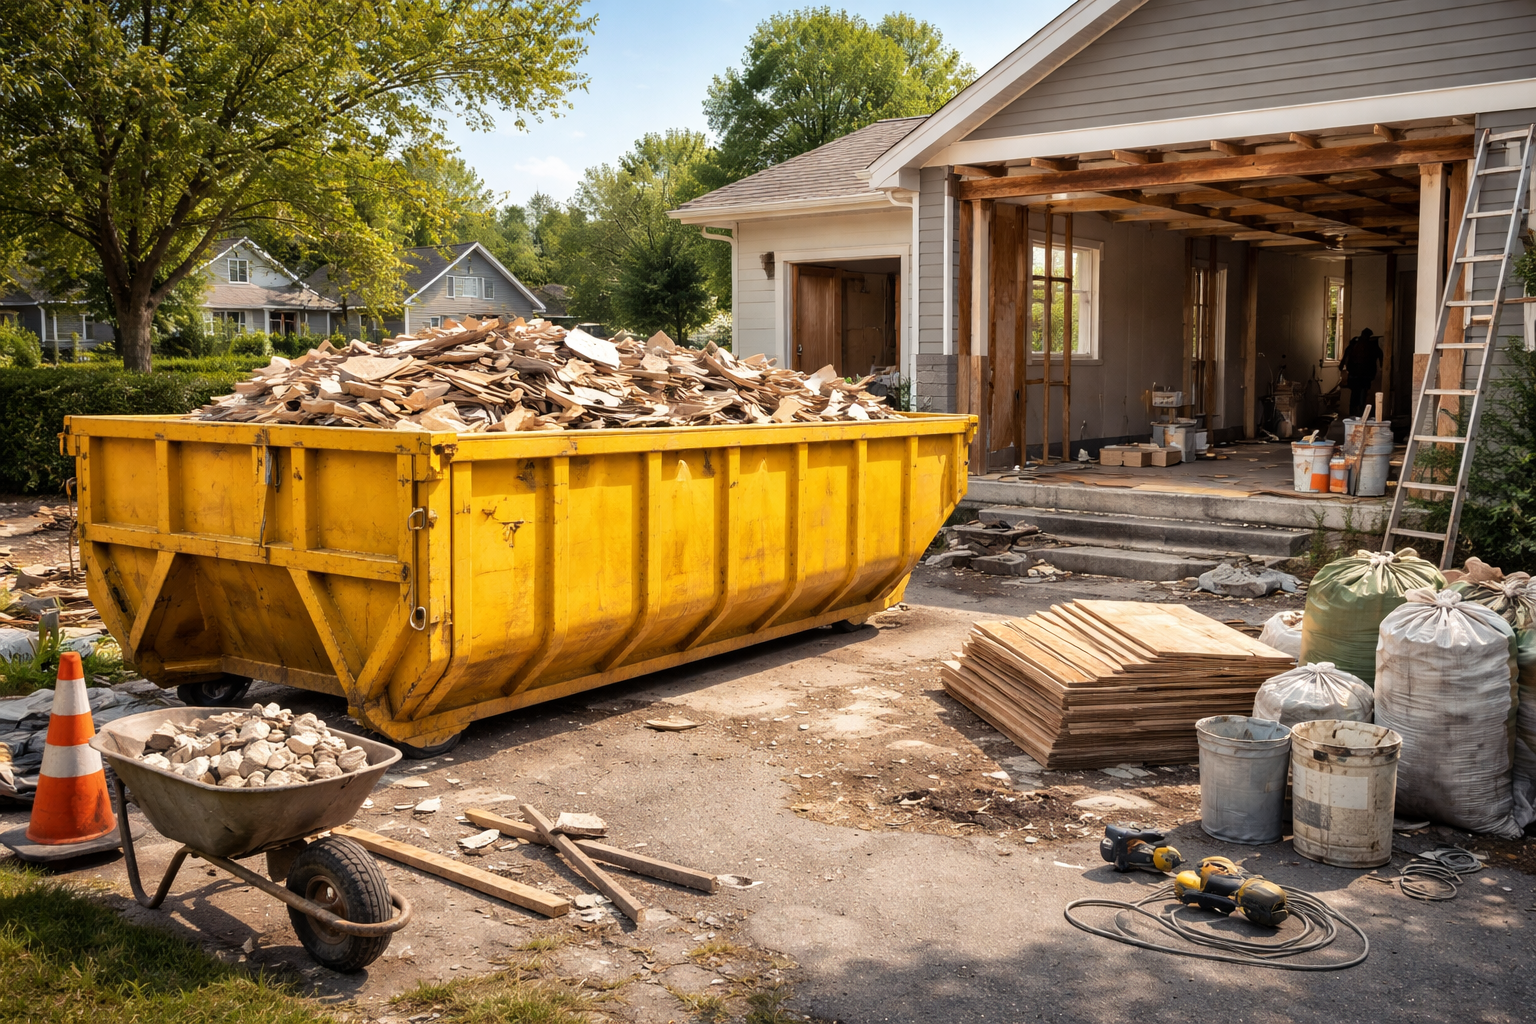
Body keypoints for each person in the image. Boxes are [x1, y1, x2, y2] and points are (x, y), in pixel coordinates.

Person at [1340, 328, 1383, 417]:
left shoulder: (1355, 343)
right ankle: (1359, 410)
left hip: (1356, 374)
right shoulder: (1371, 345)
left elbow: (1346, 354)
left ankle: (1355, 411)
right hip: (1365, 374)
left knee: (1356, 392)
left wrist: (1341, 366)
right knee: (1361, 392)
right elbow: (1381, 355)